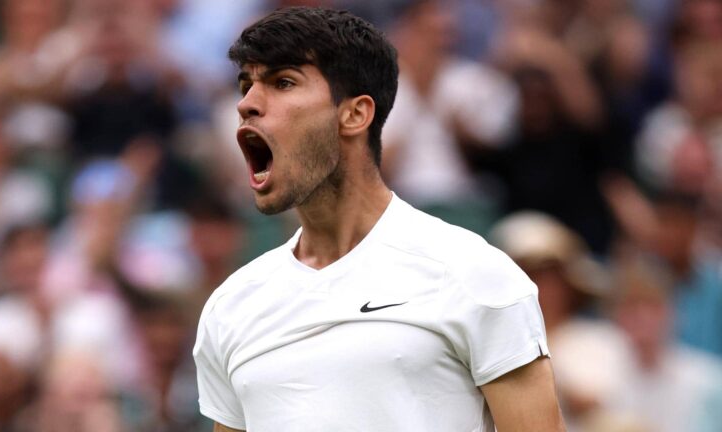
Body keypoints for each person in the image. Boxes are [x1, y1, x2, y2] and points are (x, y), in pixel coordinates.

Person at [193, 7, 565, 432]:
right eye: (245, 85)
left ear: (355, 114)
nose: (246, 104)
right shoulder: (230, 308)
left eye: (282, 82)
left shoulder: (473, 274)